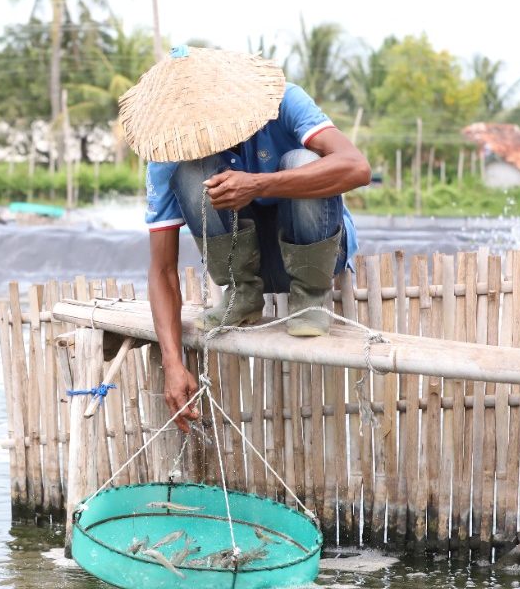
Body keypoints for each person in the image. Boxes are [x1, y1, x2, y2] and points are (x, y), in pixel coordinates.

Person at [118, 46, 371, 430]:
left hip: (315, 254)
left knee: (303, 160)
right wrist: (173, 363)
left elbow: (356, 167)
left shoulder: (285, 101)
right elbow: (162, 269)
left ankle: (310, 295)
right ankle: (243, 293)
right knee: (192, 172)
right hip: (246, 262)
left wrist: (258, 185)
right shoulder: (172, 152)